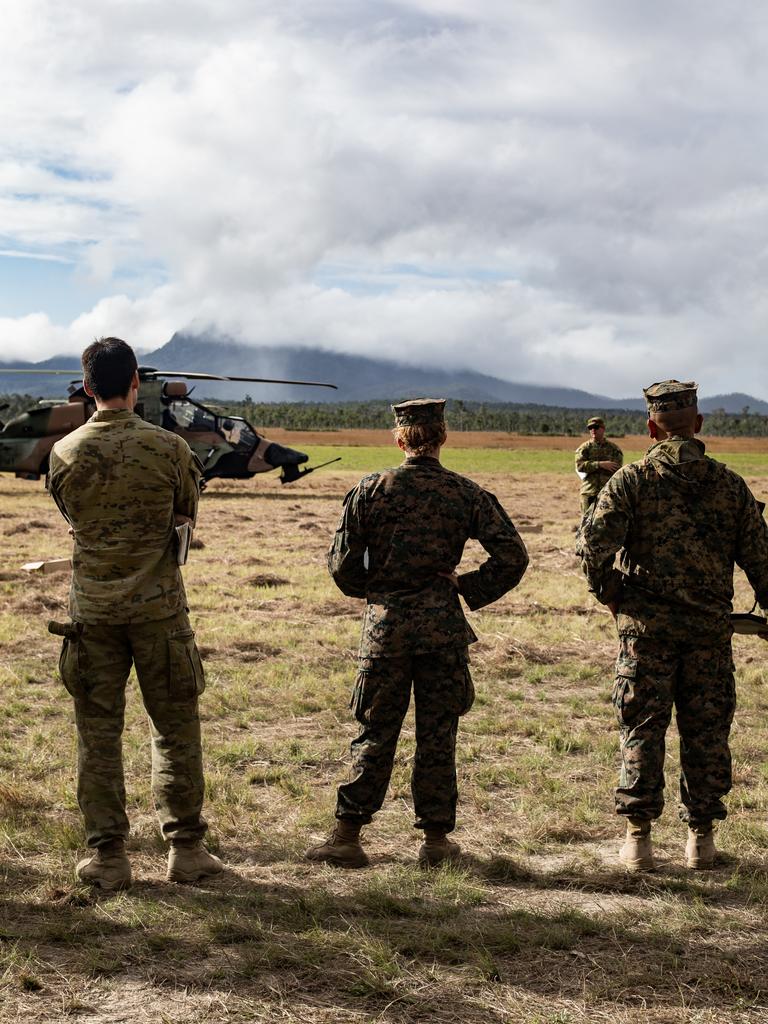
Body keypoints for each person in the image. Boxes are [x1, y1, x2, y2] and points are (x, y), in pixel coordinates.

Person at [306, 398, 529, 868]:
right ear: (443, 437)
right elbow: (513, 556)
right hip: (442, 633)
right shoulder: (465, 493)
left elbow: (342, 565)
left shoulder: (370, 490)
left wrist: (377, 591)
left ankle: (347, 837)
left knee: (374, 731)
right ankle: (434, 842)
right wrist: (466, 586)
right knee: (437, 736)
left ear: (399, 439)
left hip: (385, 634)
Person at [47, 337, 223, 890]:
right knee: (174, 729)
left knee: (97, 733)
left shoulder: (63, 453)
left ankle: (108, 857)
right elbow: (186, 514)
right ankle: (187, 850)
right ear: (134, 385)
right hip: (160, 614)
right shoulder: (170, 449)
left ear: (88, 386)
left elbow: (71, 518)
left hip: (91, 614)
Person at [577, 380, 768, 872]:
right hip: (708, 634)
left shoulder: (630, 481)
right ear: (699, 424)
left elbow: (593, 551)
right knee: (706, 732)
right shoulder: (729, 485)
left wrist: (615, 597)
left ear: (649, 428)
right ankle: (699, 841)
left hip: (646, 634)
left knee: (642, 727)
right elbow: (763, 562)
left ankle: (637, 841)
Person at [574, 416, 623, 514]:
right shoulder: (584, 448)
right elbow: (579, 466)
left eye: (596, 427)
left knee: (607, 523)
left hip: (608, 492)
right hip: (589, 492)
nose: (593, 430)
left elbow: (617, 469)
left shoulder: (613, 449)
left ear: (603, 429)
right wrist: (600, 465)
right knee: (587, 524)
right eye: (590, 428)